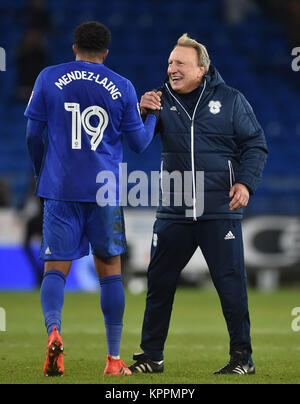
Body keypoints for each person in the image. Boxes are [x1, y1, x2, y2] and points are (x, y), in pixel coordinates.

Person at [24, 21, 158, 377]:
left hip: (60, 189)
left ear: (74, 48)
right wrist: (151, 116)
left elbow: (33, 134)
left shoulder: (48, 77)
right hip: (104, 191)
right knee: (110, 273)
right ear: (106, 53)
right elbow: (141, 144)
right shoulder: (123, 86)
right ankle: (114, 360)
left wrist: (42, 172)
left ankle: (54, 332)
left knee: (55, 270)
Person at [129, 33, 268, 375]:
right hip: (174, 210)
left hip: (218, 210)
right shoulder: (159, 100)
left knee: (230, 285)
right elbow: (135, 140)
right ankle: (152, 356)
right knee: (159, 283)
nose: (171, 68)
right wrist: (138, 111)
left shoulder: (232, 101)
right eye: (169, 62)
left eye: (179, 63)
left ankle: (241, 358)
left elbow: (256, 145)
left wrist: (246, 183)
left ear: (201, 69)